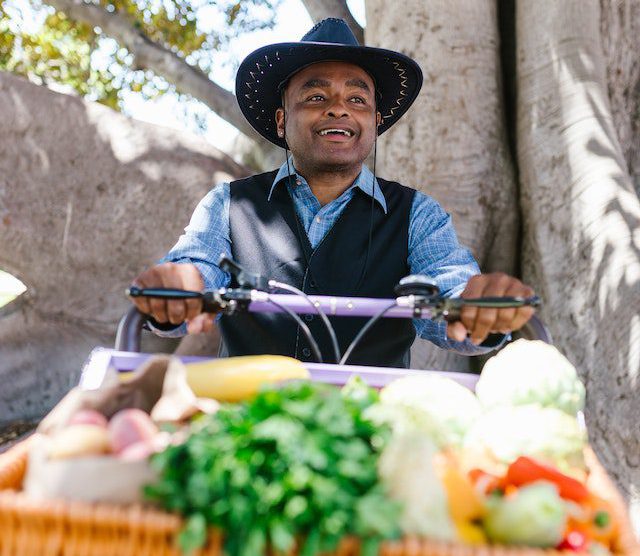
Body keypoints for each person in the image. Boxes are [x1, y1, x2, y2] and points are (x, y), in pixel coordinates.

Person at [130, 18, 535, 367]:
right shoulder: (228, 205)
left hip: (371, 436)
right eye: (316, 96)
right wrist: (183, 287)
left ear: (375, 122)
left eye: (357, 99)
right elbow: (195, 271)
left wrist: (473, 306)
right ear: (282, 119)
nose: (338, 109)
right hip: (248, 429)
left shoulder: (417, 214)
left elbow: (449, 291)